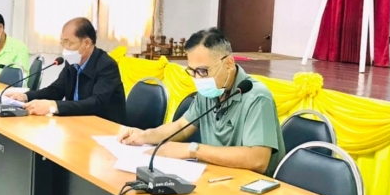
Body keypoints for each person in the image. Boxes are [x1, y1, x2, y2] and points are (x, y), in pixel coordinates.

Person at [118, 27, 285, 176]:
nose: (198, 78)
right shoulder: (209, 92)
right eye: (192, 71)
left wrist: (192, 150)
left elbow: (257, 160)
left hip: (252, 187)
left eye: (203, 71)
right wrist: (144, 136)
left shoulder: (256, 97)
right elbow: (181, 127)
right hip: (218, 177)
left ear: (228, 64)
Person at [6, 17, 127, 124]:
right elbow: (56, 90)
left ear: (86, 43)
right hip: (77, 122)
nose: (65, 49)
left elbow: (96, 103)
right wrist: (25, 96)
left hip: (104, 128)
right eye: (63, 43)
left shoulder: (107, 65)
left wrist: (53, 106)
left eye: (69, 43)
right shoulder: (73, 62)